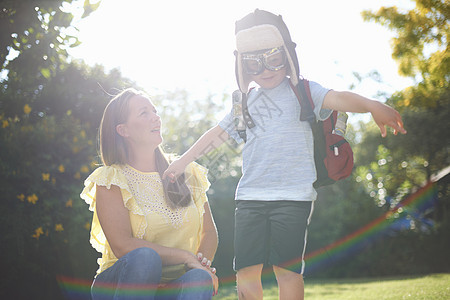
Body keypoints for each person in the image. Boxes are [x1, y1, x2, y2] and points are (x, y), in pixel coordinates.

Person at [163, 9, 407, 300]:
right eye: (254, 64)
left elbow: (339, 97)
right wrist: (181, 162)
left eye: (274, 59)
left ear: (287, 56)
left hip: (293, 197)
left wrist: (371, 105)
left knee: (287, 271)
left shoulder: (304, 91)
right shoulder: (245, 103)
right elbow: (216, 135)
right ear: (243, 67)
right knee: (245, 272)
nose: (265, 70)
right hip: (250, 198)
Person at [81, 88, 219, 300]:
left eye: (154, 111)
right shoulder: (111, 179)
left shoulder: (186, 171)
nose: (156, 117)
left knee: (199, 279)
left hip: (174, 283)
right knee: (146, 258)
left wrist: (201, 267)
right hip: (120, 286)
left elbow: (209, 233)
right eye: (144, 113)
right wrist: (185, 257)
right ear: (123, 130)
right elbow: (122, 246)